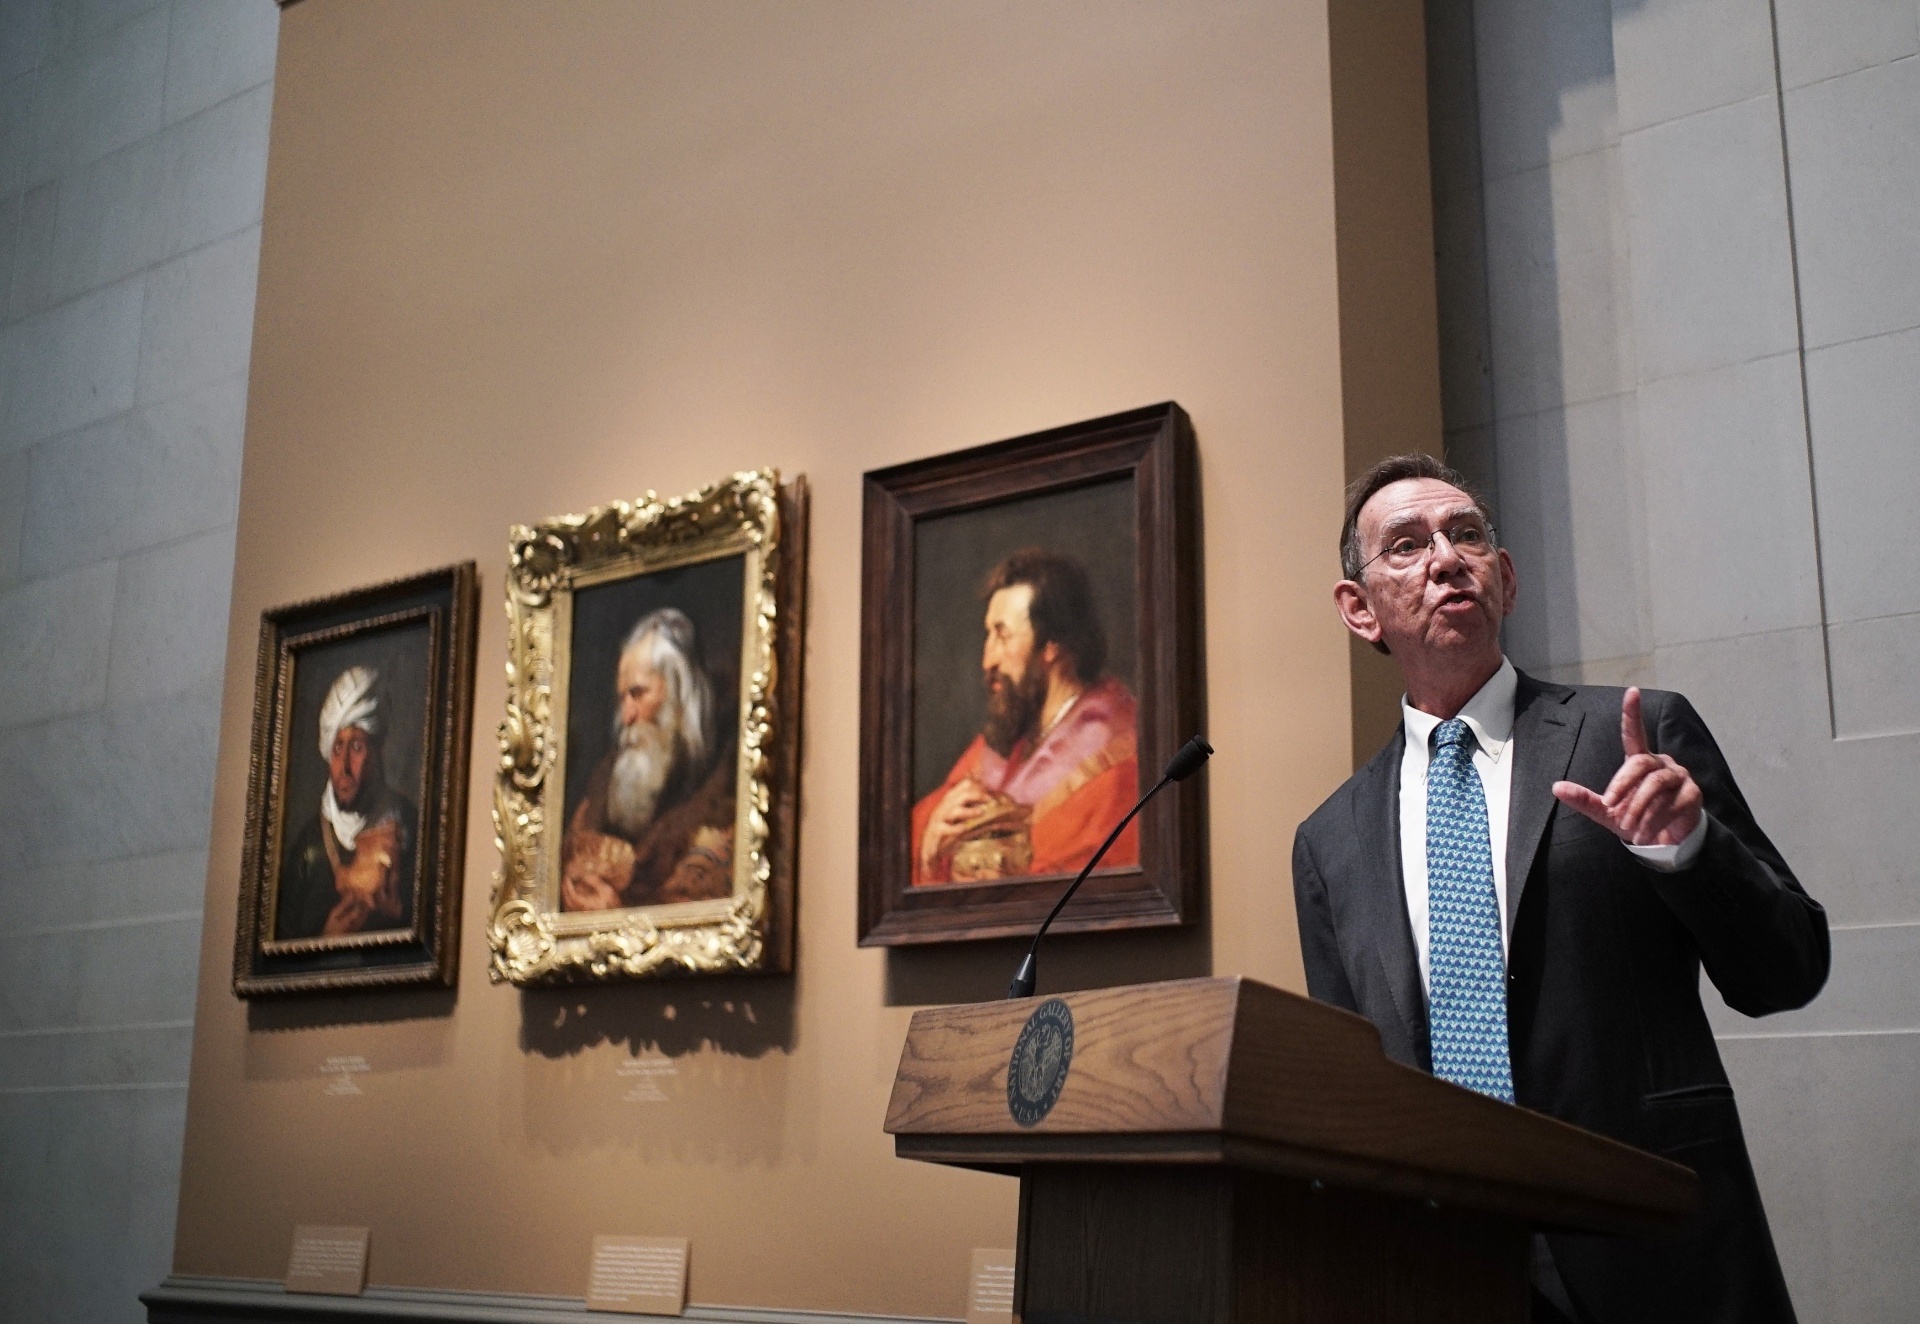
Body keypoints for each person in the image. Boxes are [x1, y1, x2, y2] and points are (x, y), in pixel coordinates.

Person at [1291, 454, 1828, 1324]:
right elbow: (1358, 1092)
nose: (1444, 558)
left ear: (1503, 579)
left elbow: (1788, 970)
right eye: (1406, 545)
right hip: (1443, 1266)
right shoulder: (1329, 843)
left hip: (1651, 1247)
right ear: (1359, 609)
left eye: (1466, 535)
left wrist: (1690, 849)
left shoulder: (1637, 735)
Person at [912, 548, 1138, 885]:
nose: (988, 660)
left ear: (1052, 645)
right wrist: (930, 841)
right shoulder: (1006, 742)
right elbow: (915, 834)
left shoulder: (1118, 761)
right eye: (988, 635)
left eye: (1003, 635)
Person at [561, 608, 735, 910]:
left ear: (682, 698)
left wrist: (612, 917)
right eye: (622, 699)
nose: (626, 716)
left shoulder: (723, 813)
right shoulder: (601, 798)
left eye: (638, 693)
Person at [276, 665, 418, 940]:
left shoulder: (411, 829)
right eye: (337, 748)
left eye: (356, 747)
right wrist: (326, 939)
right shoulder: (308, 847)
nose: (343, 768)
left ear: (378, 751)